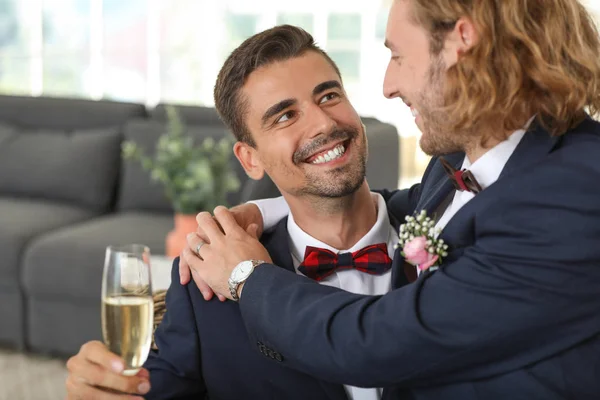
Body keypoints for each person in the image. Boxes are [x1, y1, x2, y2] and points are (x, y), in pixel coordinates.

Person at [181, 0, 600, 399]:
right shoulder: (461, 161)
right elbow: (415, 202)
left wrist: (244, 275)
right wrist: (269, 210)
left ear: (461, 43)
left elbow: (371, 344)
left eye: (397, 56)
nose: (387, 86)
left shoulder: (573, 192)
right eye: (286, 115)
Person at [65, 24, 410, 400]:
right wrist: (103, 385)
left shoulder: (451, 229)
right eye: (284, 116)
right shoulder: (205, 283)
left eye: (328, 96)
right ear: (251, 159)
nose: (324, 123)